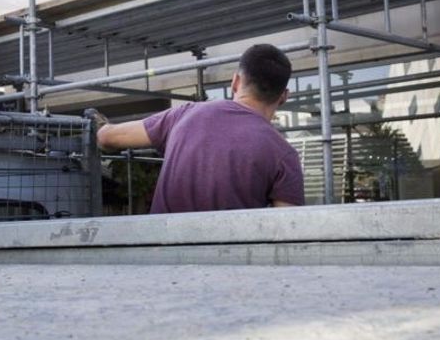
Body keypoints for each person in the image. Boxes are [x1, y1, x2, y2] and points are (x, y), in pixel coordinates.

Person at [96, 44, 304, 213]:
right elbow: (285, 231)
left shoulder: (183, 114)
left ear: (235, 81)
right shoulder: (284, 154)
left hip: (161, 256)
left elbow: (108, 138)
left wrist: (100, 126)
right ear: (284, 96)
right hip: (231, 260)